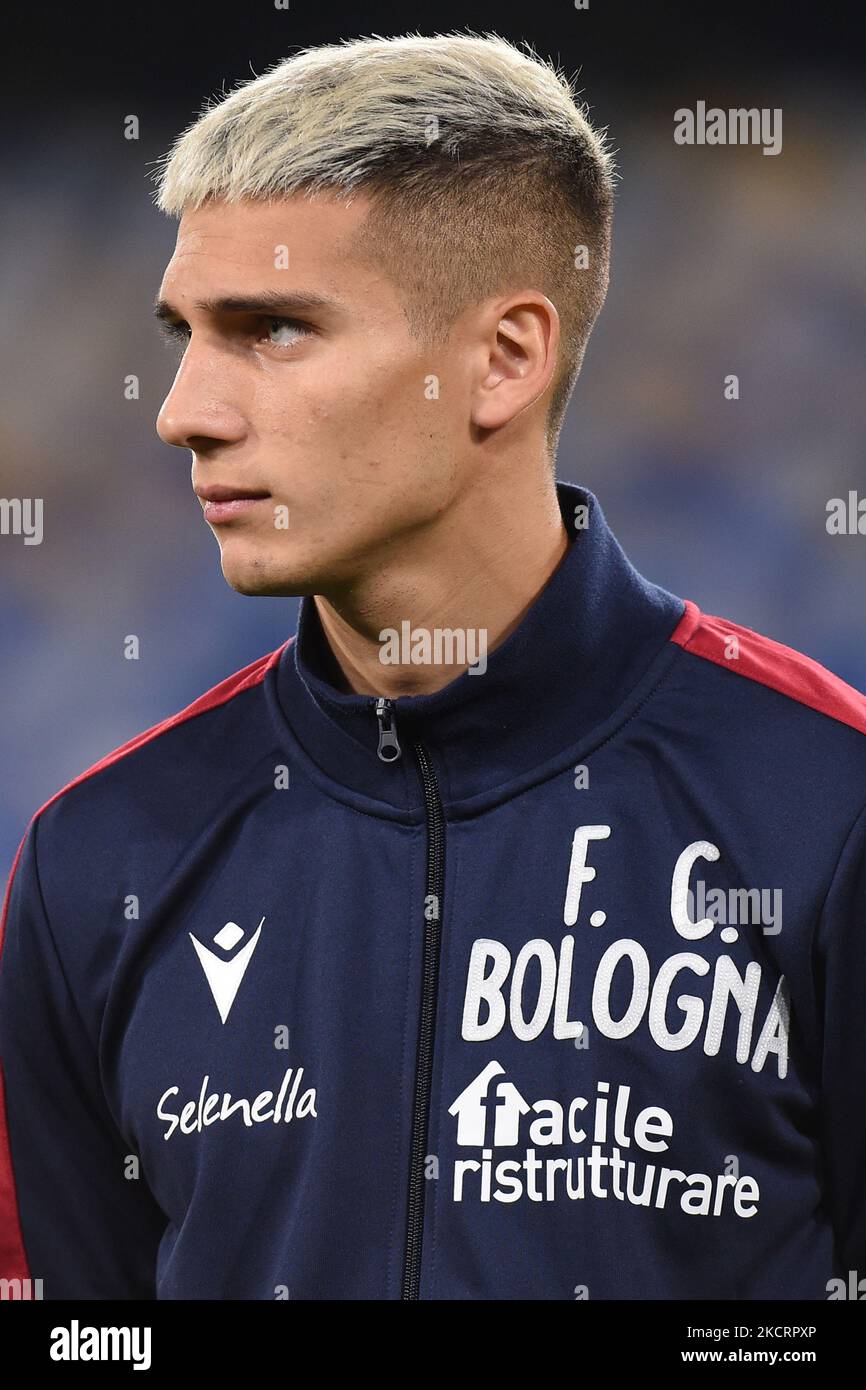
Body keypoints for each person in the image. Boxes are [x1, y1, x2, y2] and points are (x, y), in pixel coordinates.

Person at [1, 30, 864, 1301]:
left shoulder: (822, 801)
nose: (183, 407)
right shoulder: (102, 854)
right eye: (186, 331)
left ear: (503, 358)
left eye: (273, 330)